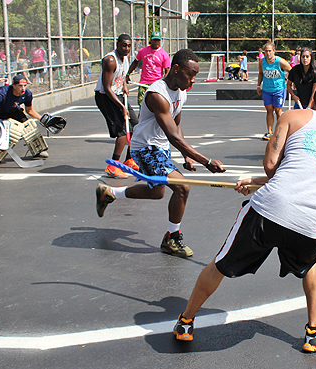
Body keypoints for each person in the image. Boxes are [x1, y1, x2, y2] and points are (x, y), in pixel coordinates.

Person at [173, 83, 316, 354]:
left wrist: (261, 180)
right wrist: (258, 181)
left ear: (313, 103)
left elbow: (273, 166)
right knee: (312, 263)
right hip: (313, 221)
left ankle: (185, 322)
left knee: (220, 264)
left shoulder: (294, 116)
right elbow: (305, 176)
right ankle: (315, 332)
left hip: (270, 209)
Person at [95, 49, 226, 258]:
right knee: (182, 188)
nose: (193, 80)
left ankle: (109, 193)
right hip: (145, 148)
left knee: (157, 192)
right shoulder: (158, 95)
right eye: (190, 74)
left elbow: (176, 125)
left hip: (161, 147)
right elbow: (174, 136)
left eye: (195, 75)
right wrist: (206, 161)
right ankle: (172, 239)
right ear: (176, 69)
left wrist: (187, 156)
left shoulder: (182, 91)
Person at [95, 34, 139, 178]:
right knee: (122, 130)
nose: (126, 48)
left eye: (129, 46)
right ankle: (113, 165)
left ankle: (128, 160)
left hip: (118, 94)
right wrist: (122, 106)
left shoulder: (125, 58)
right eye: (123, 45)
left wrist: (125, 85)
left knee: (136, 125)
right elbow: (107, 88)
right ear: (117, 45)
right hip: (106, 97)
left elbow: (123, 76)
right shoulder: (110, 60)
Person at [0, 74, 50, 166]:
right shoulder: (2, 93)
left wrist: (42, 119)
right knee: (11, 134)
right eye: (20, 86)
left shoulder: (27, 94)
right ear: (13, 86)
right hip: (0, 114)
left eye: (25, 85)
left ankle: (38, 150)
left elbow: (29, 110)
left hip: (14, 112)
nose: (23, 88)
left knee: (29, 126)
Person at [126, 31, 171, 108]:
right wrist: (128, 74)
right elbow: (135, 62)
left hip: (156, 84)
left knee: (156, 106)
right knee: (142, 106)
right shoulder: (143, 51)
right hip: (143, 83)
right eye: (154, 40)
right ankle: (141, 119)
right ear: (151, 40)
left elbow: (167, 71)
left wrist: (163, 83)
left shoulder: (164, 55)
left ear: (160, 41)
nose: (156, 42)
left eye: (158, 40)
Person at [257, 41, 292, 140]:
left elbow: (291, 70)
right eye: (266, 51)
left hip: (278, 89)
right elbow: (260, 73)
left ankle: (279, 131)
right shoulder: (262, 61)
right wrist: (258, 86)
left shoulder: (279, 61)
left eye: (270, 51)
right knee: (269, 110)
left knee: (278, 110)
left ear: (273, 51)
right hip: (267, 89)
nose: (268, 53)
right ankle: (269, 132)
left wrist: (289, 82)